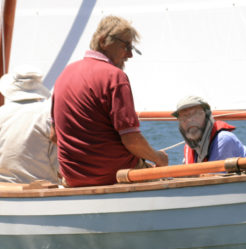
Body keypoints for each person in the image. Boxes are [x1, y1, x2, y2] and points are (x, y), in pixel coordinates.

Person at [52, 15, 168, 187]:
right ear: (103, 41)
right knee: (163, 173)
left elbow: (54, 135)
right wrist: (158, 158)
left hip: (73, 179)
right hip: (114, 174)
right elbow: (131, 139)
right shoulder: (114, 77)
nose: (129, 54)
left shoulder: (65, 74)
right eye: (126, 46)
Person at [0, 65, 59, 184]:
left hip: (4, 188)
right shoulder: (48, 114)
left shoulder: (1, 112)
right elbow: (57, 161)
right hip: (41, 190)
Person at [172, 96, 246, 164]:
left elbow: (213, 178)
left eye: (196, 113)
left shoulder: (223, 139)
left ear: (207, 116)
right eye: (183, 116)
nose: (190, 119)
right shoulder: (189, 147)